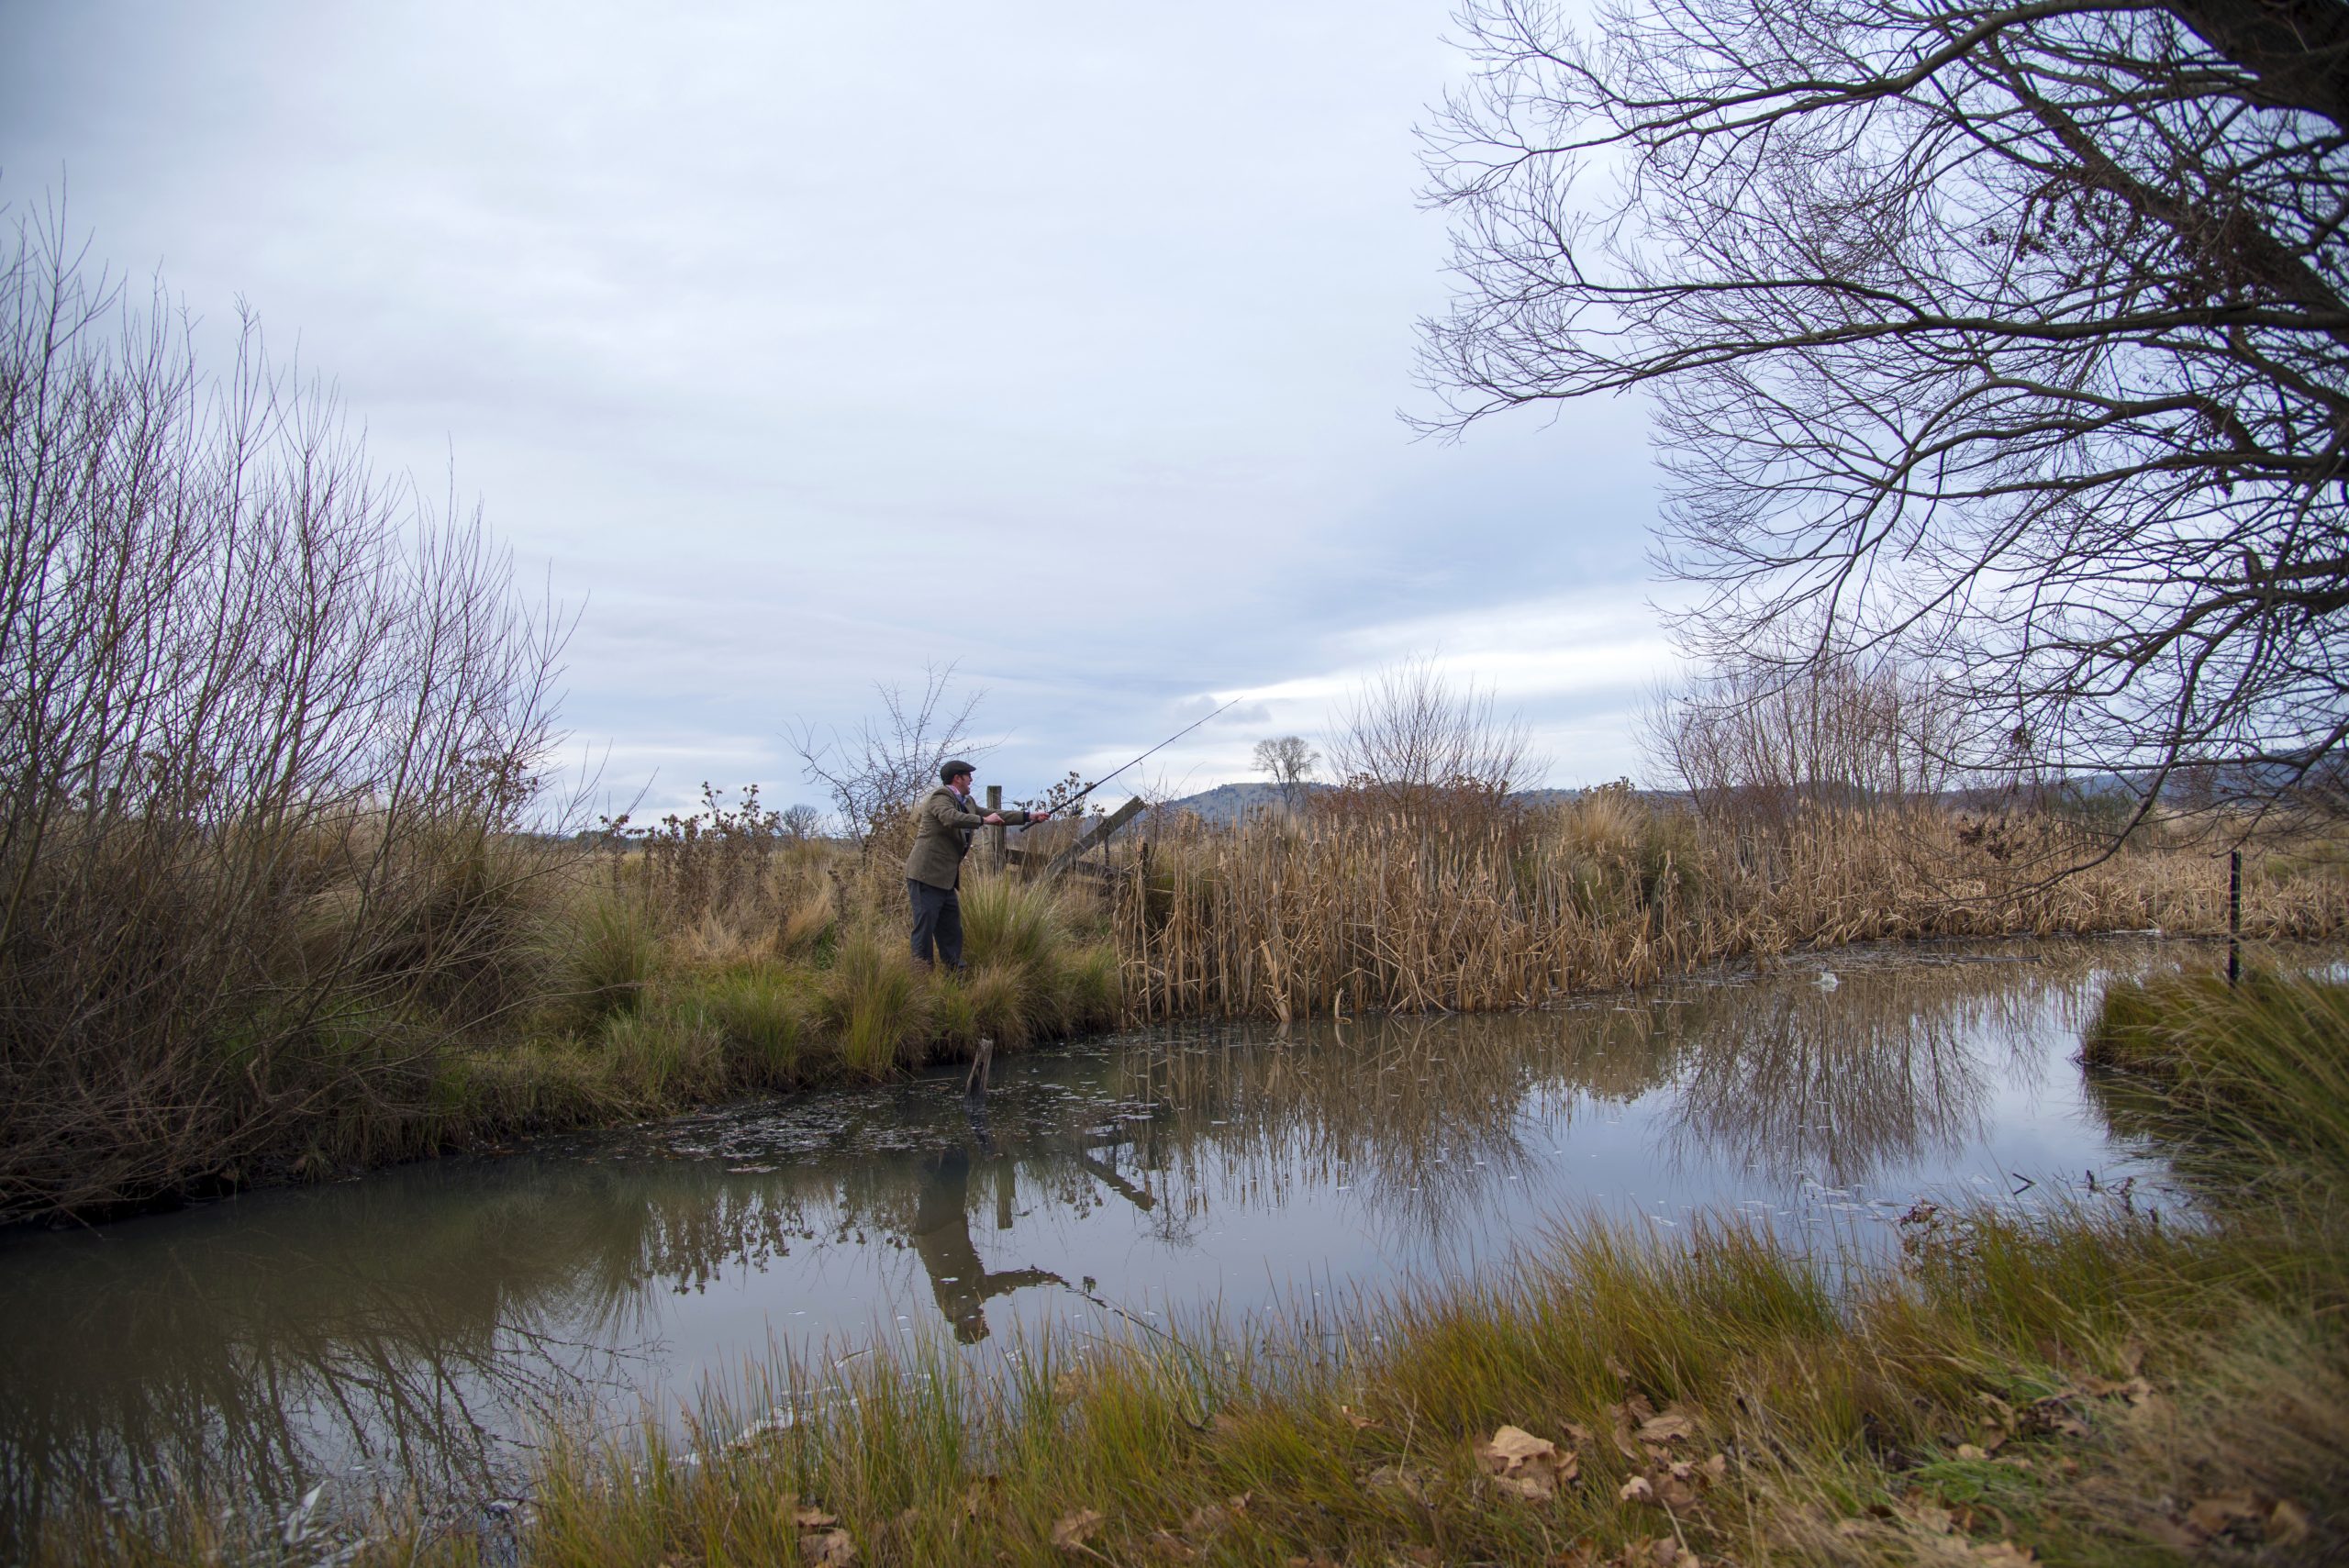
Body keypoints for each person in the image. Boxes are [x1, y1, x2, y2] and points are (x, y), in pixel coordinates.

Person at [904, 760, 1047, 970]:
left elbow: (995, 814)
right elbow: (950, 818)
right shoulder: (940, 797)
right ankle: (920, 977)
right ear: (957, 778)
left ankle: (955, 974)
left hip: (945, 879)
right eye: (968, 775)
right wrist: (983, 822)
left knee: (952, 929)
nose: (971, 779)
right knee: (924, 929)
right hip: (925, 875)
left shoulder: (966, 801)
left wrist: (1029, 816)